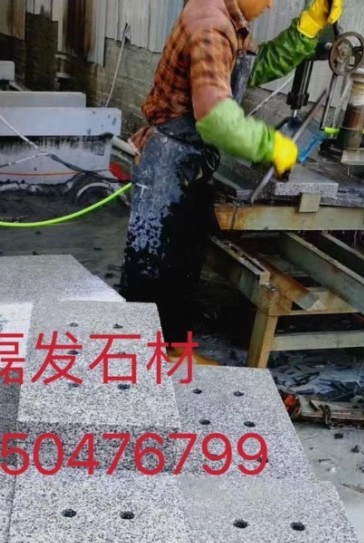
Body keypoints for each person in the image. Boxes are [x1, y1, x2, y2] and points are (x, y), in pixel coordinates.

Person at [120, 0, 342, 346]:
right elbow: (216, 120)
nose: (270, 4)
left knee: (178, 269)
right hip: (170, 162)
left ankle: (171, 350)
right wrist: (271, 146)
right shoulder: (211, 24)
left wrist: (306, 29)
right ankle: (140, 357)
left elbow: (251, 68)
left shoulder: (225, 19)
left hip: (187, 159)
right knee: (154, 272)